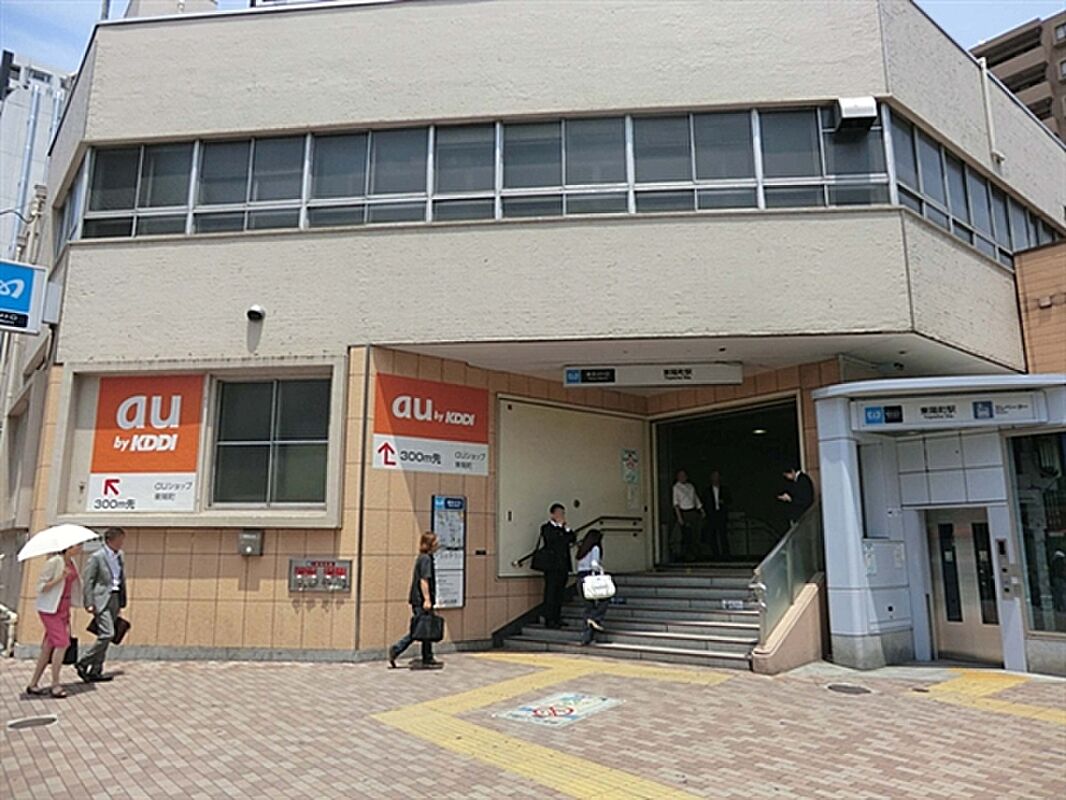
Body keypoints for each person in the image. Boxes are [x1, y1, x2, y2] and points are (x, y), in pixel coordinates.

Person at [25, 544, 81, 698]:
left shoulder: (72, 562)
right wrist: (60, 578)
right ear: (68, 547)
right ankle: (55, 684)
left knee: (48, 646)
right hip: (51, 609)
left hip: (64, 607)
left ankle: (33, 683)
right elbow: (41, 586)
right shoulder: (54, 562)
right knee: (62, 643)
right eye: (77, 545)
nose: (79, 548)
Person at [77, 527, 127, 683]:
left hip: (115, 597)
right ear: (110, 540)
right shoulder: (97, 557)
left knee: (105, 636)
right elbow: (89, 580)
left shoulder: (120, 556)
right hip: (101, 599)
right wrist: (89, 602)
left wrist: (121, 601)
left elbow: (120, 578)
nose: (121, 543)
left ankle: (96, 670)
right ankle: (83, 661)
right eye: (119, 540)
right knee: (107, 633)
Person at [388, 531, 444, 670]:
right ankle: (397, 649)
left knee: (426, 628)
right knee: (419, 628)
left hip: (417, 599)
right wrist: (427, 599)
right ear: (430, 544)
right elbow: (424, 580)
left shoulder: (424, 557)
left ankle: (427, 657)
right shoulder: (426, 559)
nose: (438, 544)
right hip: (420, 600)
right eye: (436, 542)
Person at [539, 503, 575, 629]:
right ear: (552, 514)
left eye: (563, 513)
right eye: (559, 513)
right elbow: (554, 540)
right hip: (552, 566)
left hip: (563, 565)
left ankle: (557, 617)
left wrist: (566, 528)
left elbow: (572, 538)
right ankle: (549, 619)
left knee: (560, 593)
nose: (561, 516)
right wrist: (560, 528)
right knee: (551, 592)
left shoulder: (564, 529)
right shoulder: (547, 528)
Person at [575, 529, 607, 646]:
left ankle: (586, 637)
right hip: (591, 578)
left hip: (580, 579)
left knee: (588, 607)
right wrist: (601, 570)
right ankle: (596, 618)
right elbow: (594, 564)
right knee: (605, 598)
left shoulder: (582, 549)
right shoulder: (595, 548)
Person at [672, 469, 704, 562]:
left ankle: (696, 554)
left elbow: (695, 498)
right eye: (680, 476)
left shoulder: (690, 486)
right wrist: (679, 517)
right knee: (687, 535)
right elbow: (676, 503)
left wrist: (701, 510)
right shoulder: (676, 487)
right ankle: (687, 556)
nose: (683, 477)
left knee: (696, 534)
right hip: (684, 512)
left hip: (693, 511)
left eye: (684, 475)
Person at [704, 470, 732, 560]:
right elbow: (704, 502)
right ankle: (716, 555)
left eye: (717, 477)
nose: (716, 479)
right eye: (714, 477)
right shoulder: (707, 491)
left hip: (721, 514)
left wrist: (724, 502)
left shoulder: (725, 490)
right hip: (712, 515)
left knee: (723, 534)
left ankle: (726, 554)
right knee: (712, 535)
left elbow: (730, 500)